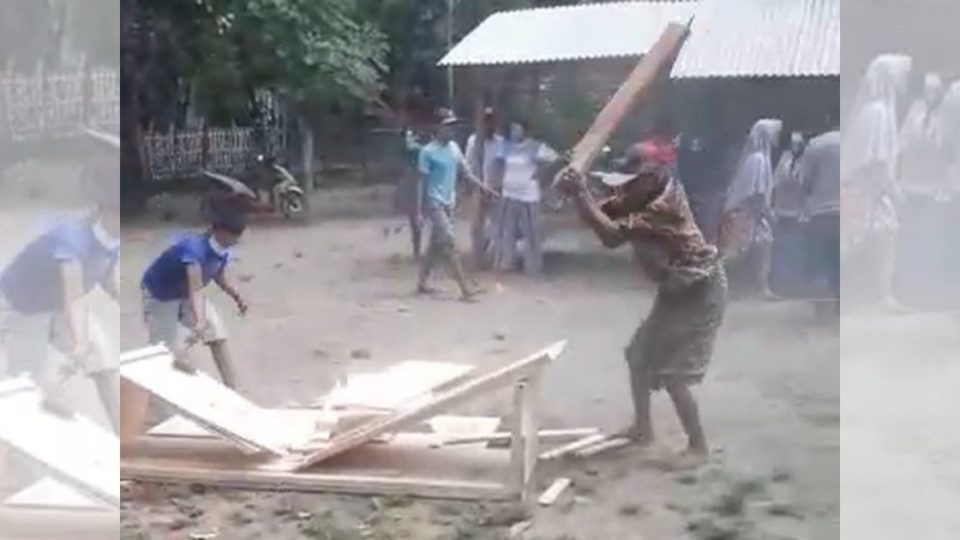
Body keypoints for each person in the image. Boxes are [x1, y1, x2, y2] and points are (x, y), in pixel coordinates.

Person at [555, 142, 727, 461]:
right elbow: (603, 212)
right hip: (679, 286)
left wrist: (579, 192)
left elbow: (609, 236)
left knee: (673, 373)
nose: (626, 187)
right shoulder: (644, 192)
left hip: (700, 289)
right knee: (639, 356)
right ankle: (642, 429)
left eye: (633, 180)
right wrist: (576, 190)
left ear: (654, 175)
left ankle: (698, 447)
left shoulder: (662, 206)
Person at [0, 129, 121, 427]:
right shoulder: (71, 239)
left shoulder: (113, 239)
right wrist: (79, 344)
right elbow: (74, 299)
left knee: (104, 362)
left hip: (56, 305)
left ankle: (124, 438)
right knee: (29, 390)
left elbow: (108, 280)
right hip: (21, 307)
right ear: (106, 205)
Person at [140, 201, 249, 388]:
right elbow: (195, 290)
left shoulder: (221, 250)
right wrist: (199, 322)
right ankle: (157, 398)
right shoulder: (193, 250)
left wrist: (237, 296)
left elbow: (219, 275)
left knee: (217, 334)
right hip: (161, 296)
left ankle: (234, 389)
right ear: (219, 231)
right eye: (233, 236)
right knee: (164, 354)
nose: (236, 241)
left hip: (185, 294)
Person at [842, 54, 912, 310]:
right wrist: (890, 190)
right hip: (870, 191)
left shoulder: (870, 111)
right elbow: (877, 161)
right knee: (881, 239)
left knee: (866, 242)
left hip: (864, 190)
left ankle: (873, 294)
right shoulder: (879, 113)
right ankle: (882, 295)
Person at [416, 109, 498, 301]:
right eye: (448, 126)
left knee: (435, 245)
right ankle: (465, 289)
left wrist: (484, 188)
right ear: (438, 127)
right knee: (449, 242)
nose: (452, 130)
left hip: (448, 203)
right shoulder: (427, 152)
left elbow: (466, 173)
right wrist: (420, 211)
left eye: (453, 126)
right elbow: (421, 183)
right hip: (434, 202)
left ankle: (422, 282)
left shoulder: (453, 148)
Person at [718, 119, 783, 299]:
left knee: (761, 248)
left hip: (748, 213)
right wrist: (767, 213)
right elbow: (757, 193)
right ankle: (710, 280)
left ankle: (761, 287)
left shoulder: (755, 158)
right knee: (736, 252)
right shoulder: (759, 160)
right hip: (747, 213)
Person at [490, 119, 559, 275]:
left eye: (518, 129)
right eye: (513, 129)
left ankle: (532, 264)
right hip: (509, 194)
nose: (515, 133)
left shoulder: (535, 147)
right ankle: (507, 261)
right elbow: (498, 165)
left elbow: (555, 160)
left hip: (529, 195)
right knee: (507, 230)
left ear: (524, 131)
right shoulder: (506, 147)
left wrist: (540, 174)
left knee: (532, 231)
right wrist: (496, 184)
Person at [800, 130, 841, 306]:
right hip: (847, 209)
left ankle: (821, 307)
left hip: (820, 211)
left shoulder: (816, 144)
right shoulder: (852, 139)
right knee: (840, 261)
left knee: (820, 260)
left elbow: (805, 179)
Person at [464, 108, 505, 269]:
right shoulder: (473, 141)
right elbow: (468, 165)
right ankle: (477, 259)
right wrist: (476, 185)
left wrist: (498, 186)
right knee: (476, 226)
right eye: (486, 120)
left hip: (495, 189)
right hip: (478, 187)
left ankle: (493, 258)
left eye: (491, 120)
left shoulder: (500, 143)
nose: (489, 124)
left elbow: (503, 167)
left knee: (497, 225)